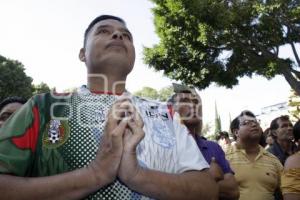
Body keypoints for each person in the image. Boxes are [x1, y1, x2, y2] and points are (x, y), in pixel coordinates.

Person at [0, 15, 218, 199]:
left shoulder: (165, 114)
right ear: (82, 54)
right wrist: (95, 174)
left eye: (126, 35)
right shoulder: (43, 107)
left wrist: (137, 176)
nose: (117, 36)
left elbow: (207, 189)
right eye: (103, 31)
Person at [169, 84, 239, 200]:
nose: (193, 106)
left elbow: (233, 191)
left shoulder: (213, 147)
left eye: (196, 102)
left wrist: (185, 181)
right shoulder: (162, 146)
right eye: (185, 101)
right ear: (171, 109)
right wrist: (209, 178)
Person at [226, 110, 283, 200]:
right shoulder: (224, 157)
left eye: (255, 122)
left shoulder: (273, 160)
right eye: (246, 123)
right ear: (236, 132)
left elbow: (286, 190)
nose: (254, 125)